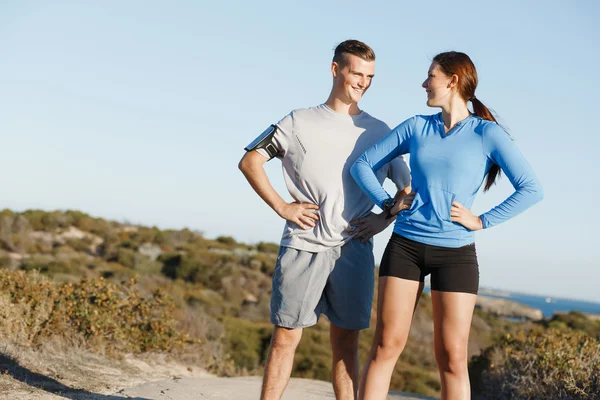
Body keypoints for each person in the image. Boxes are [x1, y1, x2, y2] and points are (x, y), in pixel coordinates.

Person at [350, 51, 543, 400]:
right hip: (405, 246)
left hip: (456, 254)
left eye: (430, 76)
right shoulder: (416, 126)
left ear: (452, 80)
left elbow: (531, 189)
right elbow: (363, 165)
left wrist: (482, 220)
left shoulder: (488, 134)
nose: (424, 83)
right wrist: (388, 203)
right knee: (386, 346)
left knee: (452, 359)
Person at [238, 40, 412, 400]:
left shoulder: (380, 132)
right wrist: (282, 207)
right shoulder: (298, 120)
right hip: (303, 245)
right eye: (356, 73)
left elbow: (407, 189)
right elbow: (250, 161)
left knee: (346, 343)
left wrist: (384, 219)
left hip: (355, 247)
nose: (363, 82)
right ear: (336, 70)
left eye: (370, 76)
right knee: (286, 337)